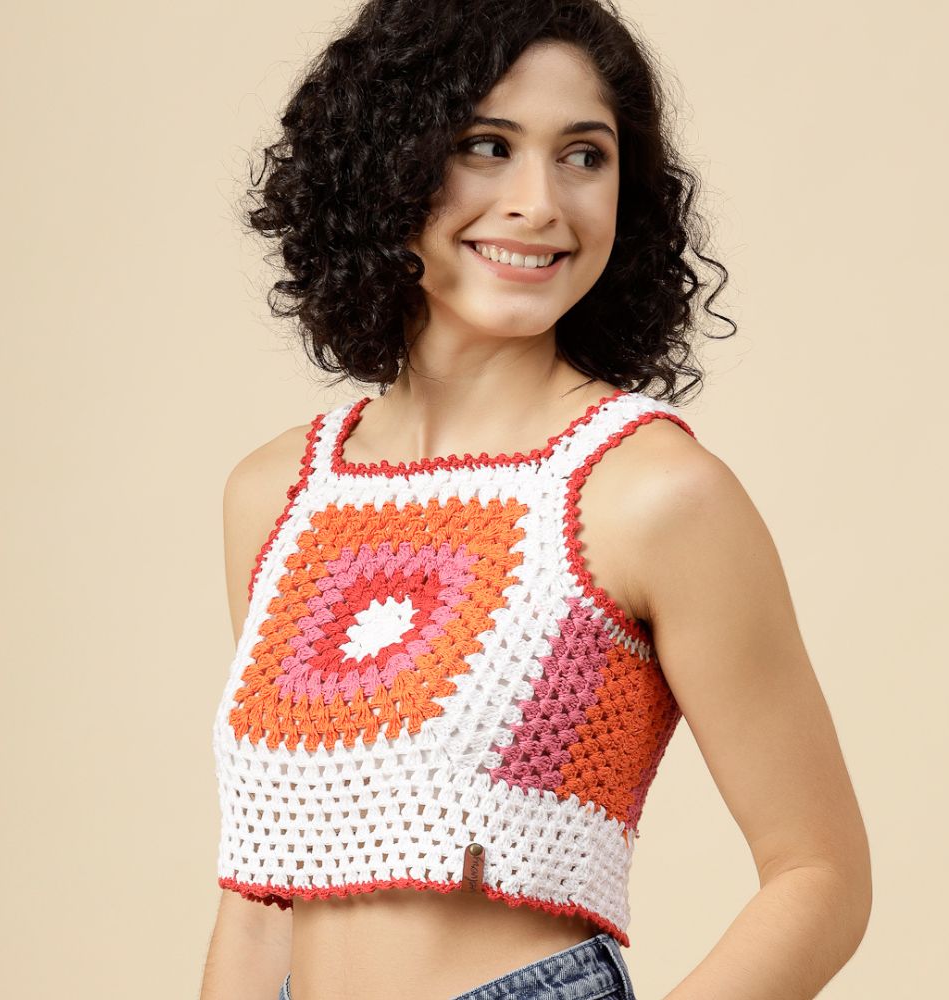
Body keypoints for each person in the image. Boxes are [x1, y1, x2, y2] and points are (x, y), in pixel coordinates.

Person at [199, 1, 872, 998]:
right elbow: (262, 887)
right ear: (385, 163)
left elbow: (820, 874)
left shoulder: (653, 494)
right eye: (487, 145)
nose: (539, 203)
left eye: (584, 156)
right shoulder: (276, 494)